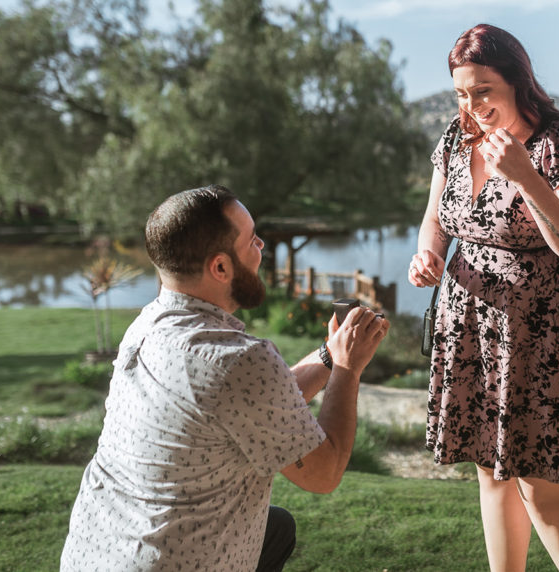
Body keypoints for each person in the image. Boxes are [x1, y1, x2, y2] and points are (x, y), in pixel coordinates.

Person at [61, 185, 389, 571]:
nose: (262, 245)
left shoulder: (147, 325)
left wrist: (330, 355)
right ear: (220, 267)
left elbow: (260, 404)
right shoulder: (238, 360)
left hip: (95, 555)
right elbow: (324, 473)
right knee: (277, 524)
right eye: (252, 240)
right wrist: (349, 368)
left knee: (276, 526)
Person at [408, 24, 559, 572]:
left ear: (518, 81)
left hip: (546, 331)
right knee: (490, 473)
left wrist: (527, 178)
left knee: (544, 490)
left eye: (483, 89)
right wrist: (428, 254)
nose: (472, 104)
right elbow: (437, 216)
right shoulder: (457, 137)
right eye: (462, 92)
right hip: (473, 323)